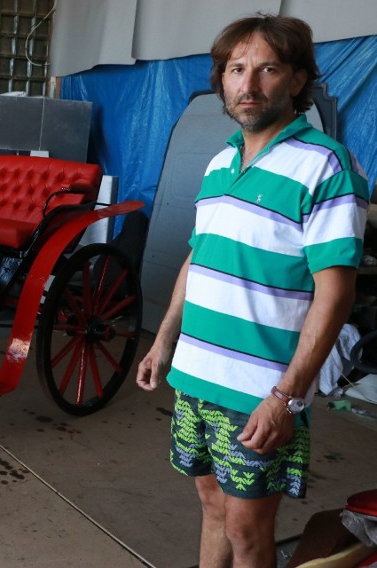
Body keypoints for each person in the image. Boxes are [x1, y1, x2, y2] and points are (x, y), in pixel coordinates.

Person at [135, 13, 370, 568]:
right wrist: (163, 341)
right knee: (210, 502)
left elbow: (334, 294)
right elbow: (199, 258)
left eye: (267, 69)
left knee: (247, 529)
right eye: (236, 69)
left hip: (258, 392)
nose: (249, 84)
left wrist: (287, 396)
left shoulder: (326, 166)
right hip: (196, 375)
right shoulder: (218, 164)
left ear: (295, 80)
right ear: (222, 81)